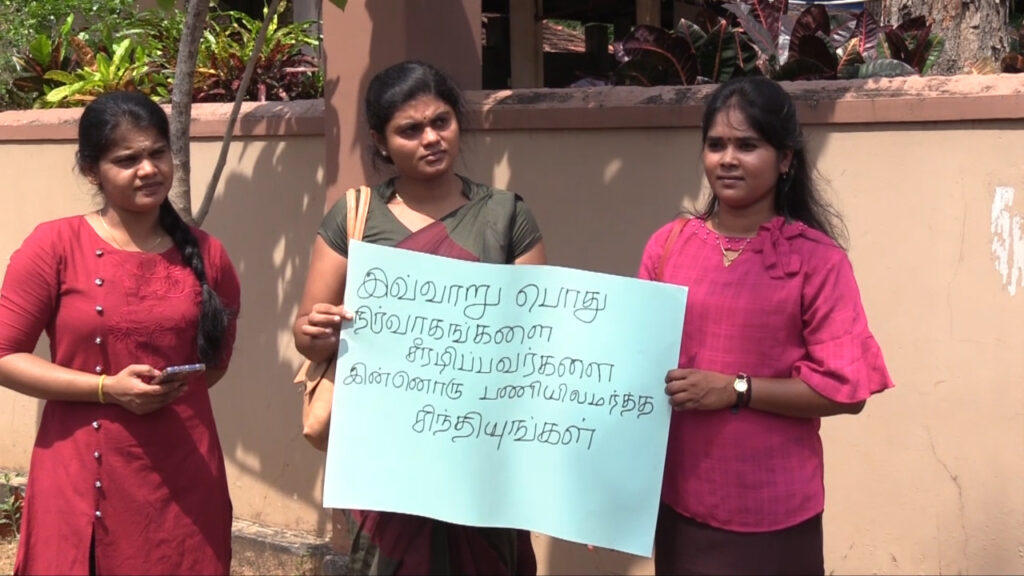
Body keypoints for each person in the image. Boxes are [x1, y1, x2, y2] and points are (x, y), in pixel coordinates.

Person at [293, 60, 546, 575]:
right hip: (385, 455)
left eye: (441, 122)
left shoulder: (505, 217)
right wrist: (314, 330)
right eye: (410, 130)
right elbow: (307, 335)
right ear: (381, 142)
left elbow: (536, 337)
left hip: (480, 446)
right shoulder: (355, 215)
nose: (431, 138)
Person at [637, 76, 894, 575]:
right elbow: (632, 373)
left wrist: (736, 389)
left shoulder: (817, 261)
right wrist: (608, 493)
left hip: (775, 516)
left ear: (785, 160)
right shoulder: (667, 246)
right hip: (679, 505)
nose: (728, 159)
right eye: (716, 145)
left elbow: (847, 391)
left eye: (747, 145)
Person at [0, 91, 241, 575]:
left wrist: (159, 392)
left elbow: (214, 365)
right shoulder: (55, 245)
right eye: (127, 160)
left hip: (184, 476)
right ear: (92, 170)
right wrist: (107, 389)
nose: (148, 170)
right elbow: (5, 355)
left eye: (157, 153)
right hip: (82, 474)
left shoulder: (208, 254)